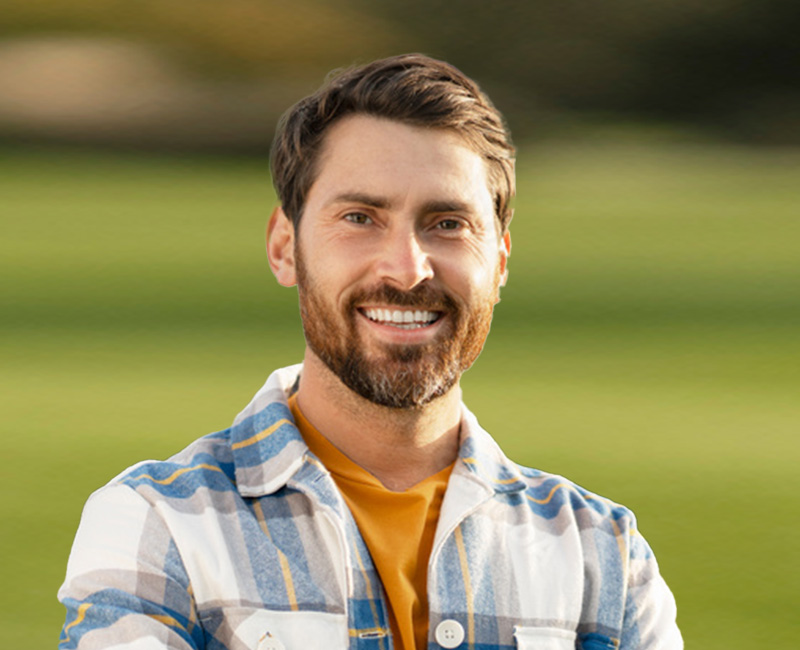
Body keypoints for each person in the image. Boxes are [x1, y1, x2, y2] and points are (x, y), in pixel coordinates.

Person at [58, 54, 682, 650]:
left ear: (499, 261)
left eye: (448, 223)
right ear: (284, 247)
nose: (408, 270)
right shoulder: (159, 523)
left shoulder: (602, 553)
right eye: (360, 217)